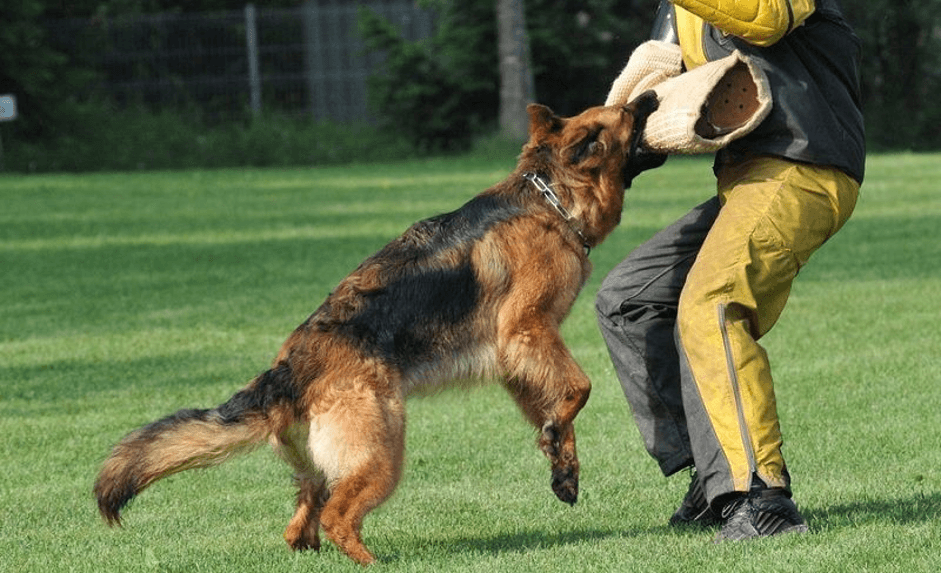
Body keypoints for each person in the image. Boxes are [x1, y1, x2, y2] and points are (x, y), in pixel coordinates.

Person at [595, 0, 865, 541]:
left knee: (712, 301)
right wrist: (590, 150)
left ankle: (762, 499)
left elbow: (765, 20)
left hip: (804, 169)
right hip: (746, 182)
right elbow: (650, 76)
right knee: (628, 299)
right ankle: (715, 473)